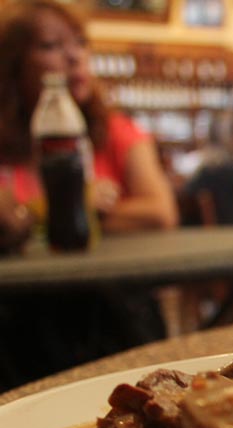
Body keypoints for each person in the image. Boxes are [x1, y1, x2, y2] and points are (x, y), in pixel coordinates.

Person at [0, 0, 178, 391]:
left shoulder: (115, 130)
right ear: (13, 63)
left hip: (108, 315)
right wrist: (67, 205)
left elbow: (159, 211)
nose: (74, 57)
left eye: (80, 43)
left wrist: (43, 215)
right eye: (50, 46)